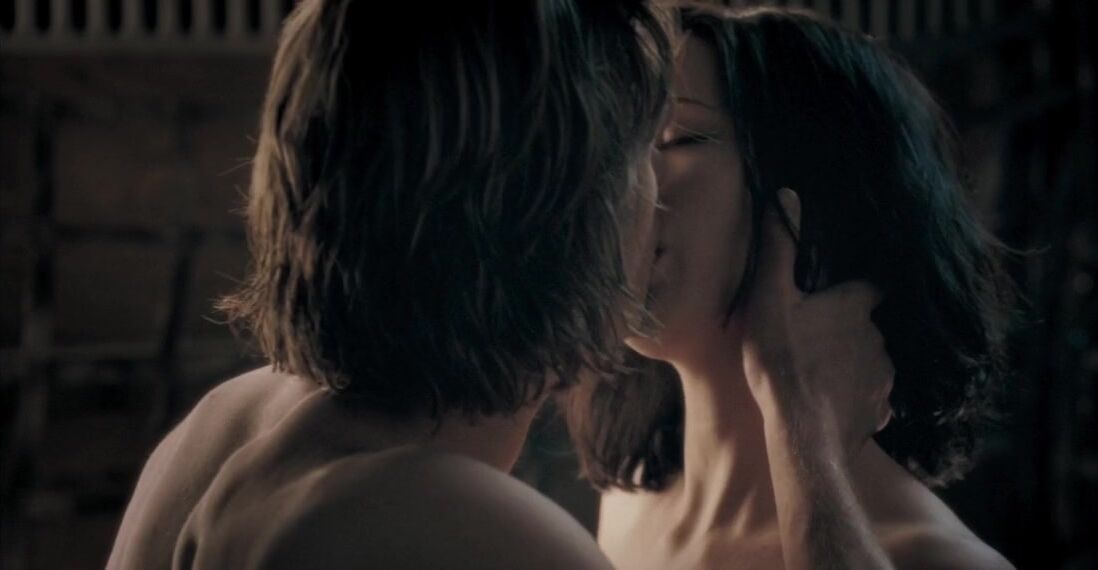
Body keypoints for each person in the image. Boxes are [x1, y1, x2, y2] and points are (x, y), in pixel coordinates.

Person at [106, 1, 673, 567]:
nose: (663, 191)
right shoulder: (495, 544)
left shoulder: (216, 424)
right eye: (649, 148)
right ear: (566, 214)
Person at [564, 5, 1016, 568]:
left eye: (678, 138)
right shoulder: (628, 507)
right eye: (624, 144)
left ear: (812, 193)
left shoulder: (935, 558)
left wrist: (801, 426)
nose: (624, 185)